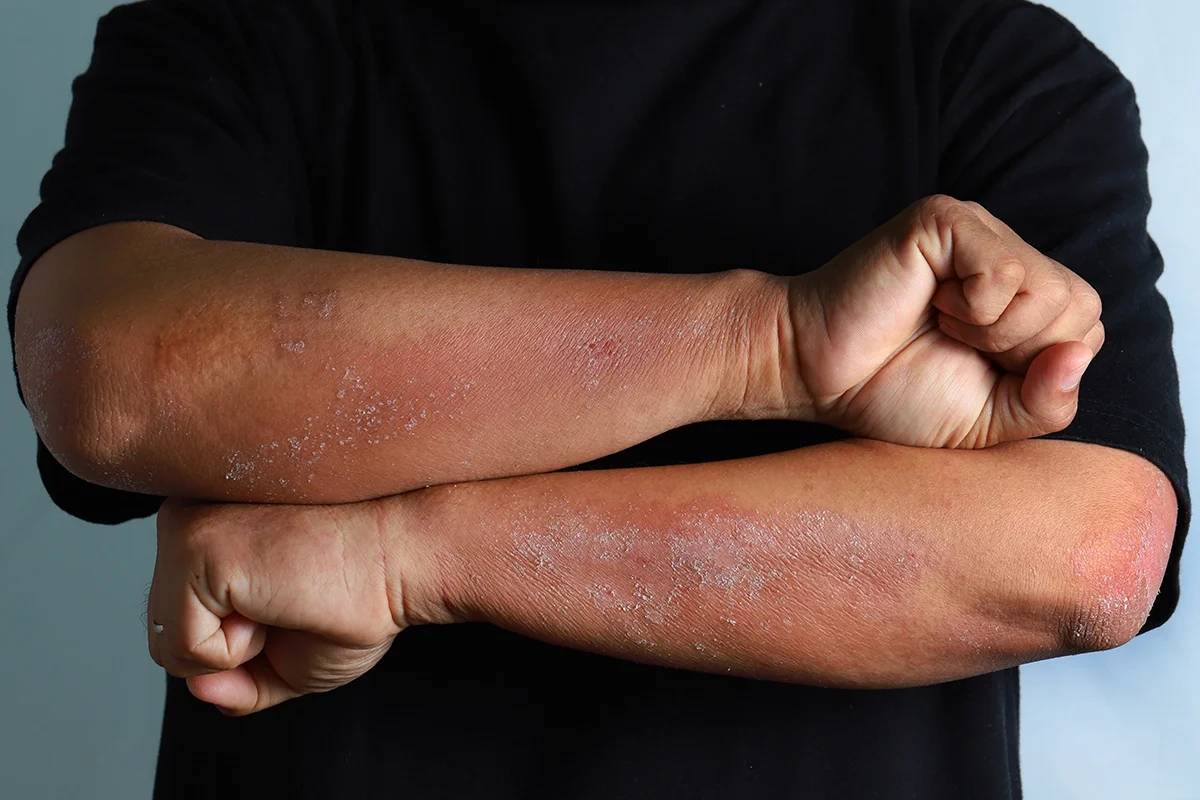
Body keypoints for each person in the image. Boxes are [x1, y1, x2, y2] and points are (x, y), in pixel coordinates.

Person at [7, 0, 1189, 797]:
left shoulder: (990, 62)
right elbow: (108, 370)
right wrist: (765, 345)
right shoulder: (242, 32)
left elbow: (1091, 554)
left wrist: (408, 555)